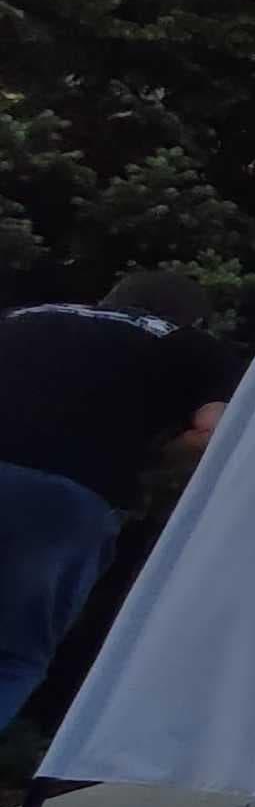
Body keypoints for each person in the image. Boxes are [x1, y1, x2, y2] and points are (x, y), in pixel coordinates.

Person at [0, 271, 235, 736]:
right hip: (64, 497)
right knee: (13, 654)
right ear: (194, 319)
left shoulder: (23, 317)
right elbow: (211, 433)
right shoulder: (192, 347)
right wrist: (149, 461)